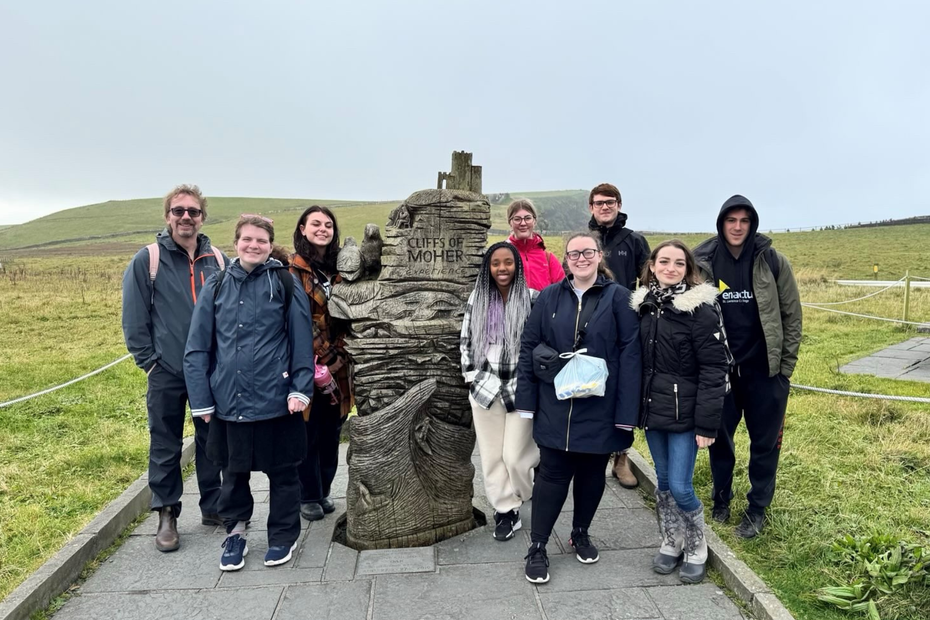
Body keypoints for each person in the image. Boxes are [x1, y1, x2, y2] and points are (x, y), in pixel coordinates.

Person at [184, 215, 315, 571]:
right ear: (236, 243)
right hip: (229, 401)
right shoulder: (216, 285)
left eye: (261, 240)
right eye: (247, 239)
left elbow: (302, 342)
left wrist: (300, 389)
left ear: (270, 245)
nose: (253, 245)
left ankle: (283, 536)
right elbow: (198, 347)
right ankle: (236, 533)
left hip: (278, 400)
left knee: (284, 474)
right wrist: (201, 399)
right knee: (233, 474)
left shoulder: (285, 284)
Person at [516, 232, 642, 584]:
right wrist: (526, 402)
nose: (581, 258)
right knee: (552, 476)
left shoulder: (619, 299)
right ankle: (538, 545)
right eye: (574, 253)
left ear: (599, 256)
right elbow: (529, 345)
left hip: (601, 407)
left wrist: (626, 415)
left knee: (591, 476)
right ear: (566, 258)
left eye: (588, 252)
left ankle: (580, 532)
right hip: (555, 403)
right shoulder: (549, 297)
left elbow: (631, 356)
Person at [121, 184, 227, 552]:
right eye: (178, 211)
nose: (186, 217)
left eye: (193, 212)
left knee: (211, 440)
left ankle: (214, 506)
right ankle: (167, 514)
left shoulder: (218, 259)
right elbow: (134, 319)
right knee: (165, 443)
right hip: (165, 369)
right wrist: (149, 363)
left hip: (210, 370)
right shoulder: (148, 259)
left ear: (202, 217)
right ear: (167, 216)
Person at [693, 195, 802, 539]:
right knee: (719, 440)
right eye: (731, 221)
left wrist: (784, 369)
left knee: (765, 444)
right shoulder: (702, 260)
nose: (737, 227)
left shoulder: (772, 261)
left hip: (764, 372)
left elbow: (791, 316)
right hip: (719, 372)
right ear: (721, 223)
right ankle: (721, 500)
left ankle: (756, 509)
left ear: (752, 223)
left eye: (744, 221)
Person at [631, 239, 730, 584]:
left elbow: (715, 370)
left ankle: (696, 545)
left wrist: (707, 423)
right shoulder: (644, 305)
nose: (670, 268)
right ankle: (672, 540)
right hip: (652, 409)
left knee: (681, 486)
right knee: (662, 482)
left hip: (685, 414)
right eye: (663, 261)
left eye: (678, 263)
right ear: (652, 265)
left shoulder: (699, 308)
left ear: (689, 269)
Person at [460, 241, 539, 542]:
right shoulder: (477, 299)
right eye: (496, 263)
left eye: (508, 262)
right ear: (488, 267)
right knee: (493, 456)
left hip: (522, 388)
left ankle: (523, 490)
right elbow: (466, 341)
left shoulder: (533, 299)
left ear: (516, 265)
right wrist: (472, 377)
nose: (502, 268)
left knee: (515, 456)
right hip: (486, 388)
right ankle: (506, 510)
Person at [289, 206, 355, 522]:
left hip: (340, 363)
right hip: (307, 362)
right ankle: (308, 495)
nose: (322, 229)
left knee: (332, 431)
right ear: (302, 229)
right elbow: (300, 321)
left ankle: (324, 490)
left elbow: (351, 314)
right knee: (308, 431)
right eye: (315, 224)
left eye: (328, 225)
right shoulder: (293, 270)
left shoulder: (341, 269)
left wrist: (340, 357)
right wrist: (326, 357)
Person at [586, 183, 651, 490]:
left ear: (619, 204)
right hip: (590, 324)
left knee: (625, 390)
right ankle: (591, 452)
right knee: (592, 386)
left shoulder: (634, 240)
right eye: (599, 203)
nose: (605, 207)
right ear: (591, 207)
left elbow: (648, 280)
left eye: (610, 202)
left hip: (624, 325)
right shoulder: (584, 240)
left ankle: (621, 457)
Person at [505, 199, 565, 291]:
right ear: (510, 222)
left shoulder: (549, 259)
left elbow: (562, 291)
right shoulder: (501, 256)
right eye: (517, 219)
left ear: (534, 221)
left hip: (543, 306)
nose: (523, 223)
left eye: (528, 218)